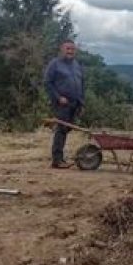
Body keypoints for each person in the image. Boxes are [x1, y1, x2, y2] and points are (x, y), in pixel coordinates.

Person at [44, 39, 85, 169]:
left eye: (72, 49)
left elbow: (81, 84)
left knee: (67, 129)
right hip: (62, 103)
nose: (70, 51)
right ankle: (57, 160)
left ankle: (60, 157)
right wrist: (58, 97)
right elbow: (47, 83)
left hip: (75, 103)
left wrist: (81, 103)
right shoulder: (55, 64)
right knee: (61, 130)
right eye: (68, 48)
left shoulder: (76, 65)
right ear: (62, 49)